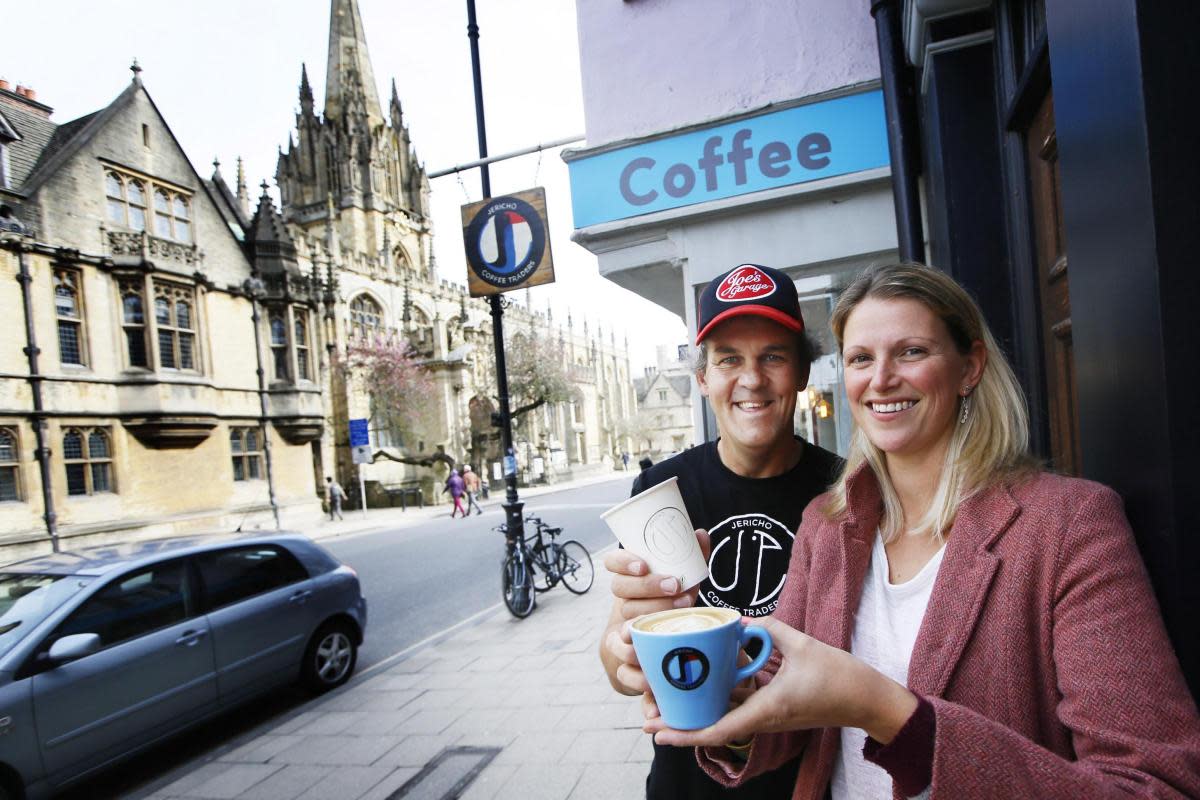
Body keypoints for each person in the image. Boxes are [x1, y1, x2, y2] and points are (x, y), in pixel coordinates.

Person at [644, 263, 1200, 798]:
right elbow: (784, 709)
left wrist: (885, 710)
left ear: (969, 367)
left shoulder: (1068, 526)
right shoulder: (827, 524)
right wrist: (728, 704)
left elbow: (1156, 784)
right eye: (861, 357)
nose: (882, 378)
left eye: (911, 351)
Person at [600, 263, 842, 800]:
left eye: (773, 357)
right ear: (703, 376)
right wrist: (629, 657)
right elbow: (616, 660)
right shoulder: (662, 490)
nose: (751, 380)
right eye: (729, 359)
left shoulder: (846, 490)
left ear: (803, 371)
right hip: (687, 783)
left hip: (809, 781)